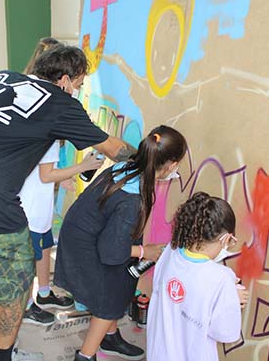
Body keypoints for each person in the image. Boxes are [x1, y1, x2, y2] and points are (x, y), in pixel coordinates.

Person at [0, 45, 135, 361]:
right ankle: (3, 358)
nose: (77, 91)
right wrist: (147, 155)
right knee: (17, 291)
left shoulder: (3, 77)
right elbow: (113, 148)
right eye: (78, 84)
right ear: (63, 80)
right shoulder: (60, 102)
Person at [54, 126, 187, 361]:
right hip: (86, 244)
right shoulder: (131, 201)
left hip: (88, 233)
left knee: (123, 280)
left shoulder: (131, 166)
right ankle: (85, 356)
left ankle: (110, 336)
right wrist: (147, 251)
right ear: (172, 165)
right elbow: (111, 252)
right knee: (111, 299)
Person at [147, 192, 249, 361]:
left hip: (158, 353)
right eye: (231, 241)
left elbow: (168, 292)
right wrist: (231, 299)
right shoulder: (221, 278)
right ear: (225, 238)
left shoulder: (170, 252)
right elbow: (224, 333)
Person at [20, 143, 105, 326]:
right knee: (27, 260)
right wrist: (82, 167)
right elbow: (46, 175)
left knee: (44, 248)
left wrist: (62, 177)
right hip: (30, 211)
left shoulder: (47, 137)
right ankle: (25, 307)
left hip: (40, 208)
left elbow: (43, 168)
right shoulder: (49, 139)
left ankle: (44, 293)